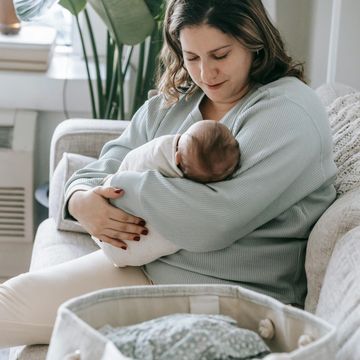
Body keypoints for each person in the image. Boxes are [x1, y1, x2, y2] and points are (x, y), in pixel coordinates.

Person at [0, 0, 337, 347]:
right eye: (192, 58)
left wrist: (119, 187)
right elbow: (107, 162)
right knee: (8, 304)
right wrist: (81, 201)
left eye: (220, 55)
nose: (206, 74)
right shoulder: (176, 102)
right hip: (145, 266)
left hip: (224, 293)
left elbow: (213, 221)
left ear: (254, 42)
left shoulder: (288, 111)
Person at [94, 120, 241, 267]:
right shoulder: (158, 149)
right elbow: (124, 163)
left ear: (177, 157)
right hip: (107, 216)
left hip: (129, 249)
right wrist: (79, 196)